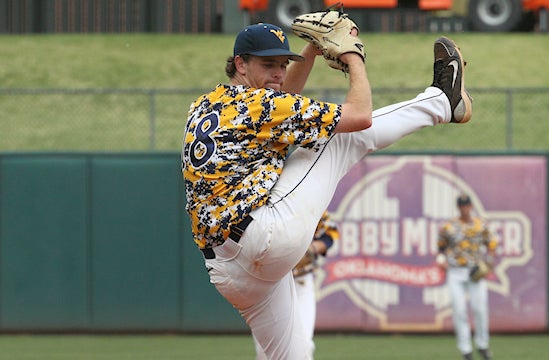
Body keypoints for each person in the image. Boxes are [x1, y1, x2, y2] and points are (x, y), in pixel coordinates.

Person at [181, 14, 472, 359]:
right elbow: (359, 116)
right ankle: (441, 101)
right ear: (241, 64)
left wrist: (313, 48)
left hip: (229, 273)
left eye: (283, 64)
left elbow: (280, 101)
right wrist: (353, 57)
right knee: (338, 140)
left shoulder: (207, 104)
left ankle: (441, 102)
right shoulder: (258, 105)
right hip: (263, 239)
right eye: (268, 64)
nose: (278, 73)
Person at [254, 210, 339, 359]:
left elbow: (330, 232)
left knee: (304, 344)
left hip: (300, 283)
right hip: (268, 286)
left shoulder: (306, 202)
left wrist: (313, 248)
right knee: (266, 351)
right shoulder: (262, 204)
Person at [436, 194, 498, 360]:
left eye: (467, 205)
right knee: (459, 310)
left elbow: (491, 243)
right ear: (459, 207)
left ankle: (483, 345)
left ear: (471, 206)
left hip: (475, 271)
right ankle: (466, 350)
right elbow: (441, 247)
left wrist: (489, 261)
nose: (465, 208)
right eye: (462, 205)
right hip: (455, 271)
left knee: (480, 309)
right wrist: (441, 260)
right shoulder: (449, 227)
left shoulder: (480, 225)